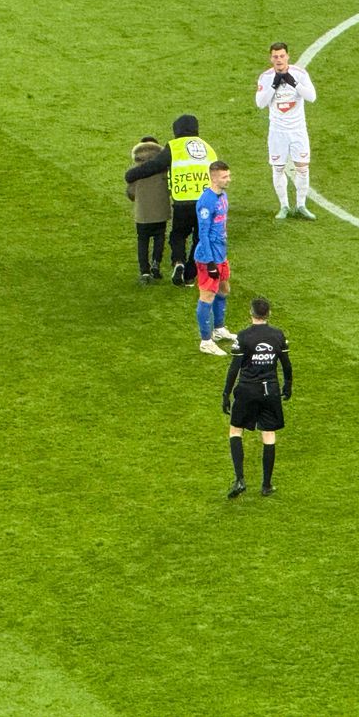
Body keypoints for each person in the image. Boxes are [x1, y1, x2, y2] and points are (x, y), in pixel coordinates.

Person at [123, 114, 216, 286]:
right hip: (206, 203)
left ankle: (178, 261)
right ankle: (190, 275)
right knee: (200, 239)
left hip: (183, 201)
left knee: (178, 235)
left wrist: (132, 175)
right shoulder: (208, 148)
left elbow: (155, 165)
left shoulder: (175, 146)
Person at [222, 297, 293, 498]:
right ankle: (266, 485)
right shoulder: (278, 335)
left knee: (236, 430)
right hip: (270, 390)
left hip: (247, 389)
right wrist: (288, 385)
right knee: (268, 434)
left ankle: (240, 479)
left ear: (251, 313)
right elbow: (286, 364)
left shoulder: (243, 336)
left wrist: (226, 393)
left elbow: (234, 368)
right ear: (268, 314)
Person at [255, 41, 318, 220]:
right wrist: (273, 86)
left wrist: (294, 84)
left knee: (302, 168)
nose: (279, 59)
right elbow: (260, 103)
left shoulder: (300, 74)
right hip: (277, 132)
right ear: (271, 58)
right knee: (278, 168)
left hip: (298, 130)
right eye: (275, 56)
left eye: (282, 56)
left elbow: (312, 97)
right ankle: (284, 206)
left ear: (287, 56)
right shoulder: (265, 77)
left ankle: (301, 205)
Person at [193, 161, 237, 356]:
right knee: (207, 296)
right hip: (207, 258)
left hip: (221, 253)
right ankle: (206, 341)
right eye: (224, 177)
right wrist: (210, 262)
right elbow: (202, 234)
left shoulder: (223, 196)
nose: (229, 180)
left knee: (224, 289)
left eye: (228, 176)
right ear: (213, 178)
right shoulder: (206, 201)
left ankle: (218, 329)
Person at [126, 135, 171, 283]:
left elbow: (131, 193)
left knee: (143, 240)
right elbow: (170, 189)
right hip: (160, 210)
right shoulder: (164, 168)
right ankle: (156, 264)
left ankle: (144, 272)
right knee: (159, 237)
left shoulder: (136, 170)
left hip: (143, 213)